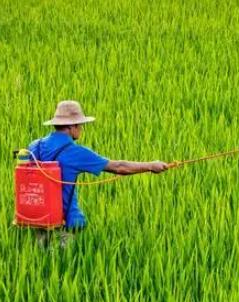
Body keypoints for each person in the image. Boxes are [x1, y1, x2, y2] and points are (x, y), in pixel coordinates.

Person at [29, 100, 168, 246]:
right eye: (80, 125)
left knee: (42, 256)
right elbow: (119, 167)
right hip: (64, 222)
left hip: (37, 218)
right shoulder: (75, 152)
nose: (81, 129)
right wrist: (151, 165)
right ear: (71, 126)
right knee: (64, 263)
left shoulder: (35, 146)